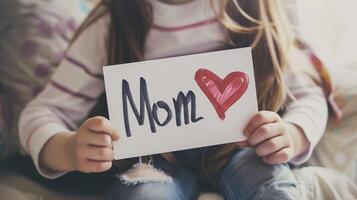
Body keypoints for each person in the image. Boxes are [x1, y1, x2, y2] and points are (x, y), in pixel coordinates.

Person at [18, 0, 328, 199]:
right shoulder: (111, 24)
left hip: (242, 149)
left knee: (274, 189)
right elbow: (43, 112)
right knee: (143, 194)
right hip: (152, 159)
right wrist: (69, 149)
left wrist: (293, 134)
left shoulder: (258, 10)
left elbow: (308, 96)